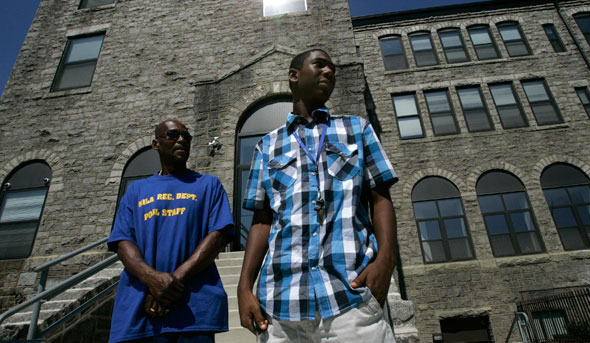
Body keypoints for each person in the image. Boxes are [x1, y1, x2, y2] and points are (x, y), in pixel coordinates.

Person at [238, 49, 398, 342]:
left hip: (350, 297)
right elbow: (261, 221)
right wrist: (244, 287)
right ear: (294, 75)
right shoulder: (267, 145)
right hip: (280, 305)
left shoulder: (356, 129)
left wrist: (386, 260)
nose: (329, 72)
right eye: (320, 65)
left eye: (333, 69)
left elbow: (381, 198)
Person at [108, 119, 234, 343]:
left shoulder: (209, 184)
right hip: (139, 313)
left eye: (186, 137)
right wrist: (153, 279)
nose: (182, 140)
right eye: (174, 135)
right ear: (156, 144)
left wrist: (170, 284)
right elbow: (122, 241)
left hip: (193, 312)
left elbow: (219, 235)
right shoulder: (136, 190)